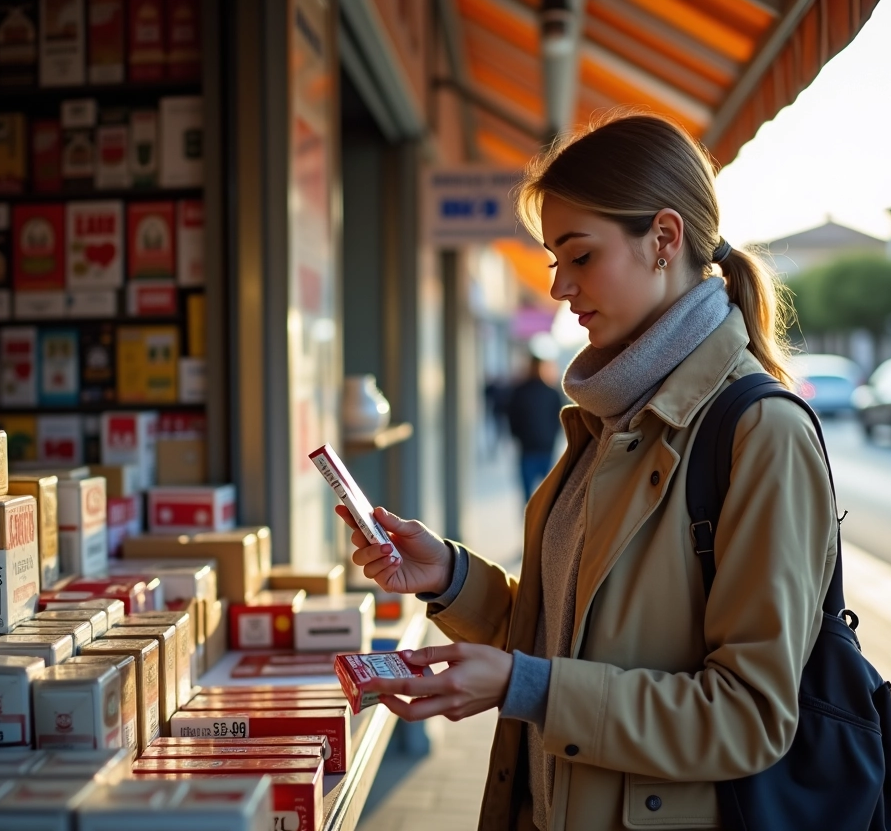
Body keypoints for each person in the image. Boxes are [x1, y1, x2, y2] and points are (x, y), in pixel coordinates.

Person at [334, 113, 837, 831]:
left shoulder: (759, 431)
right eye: (553, 263)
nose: (560, 289)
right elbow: (564, 638)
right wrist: (449, 576)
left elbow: (748, 716)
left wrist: (527, 687)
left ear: (664, 239)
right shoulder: (610, 417)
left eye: (580, 256)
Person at [507, 355, 564, 500]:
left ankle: (531, 522)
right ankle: (540, 523)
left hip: (531, 448)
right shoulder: (551, 393)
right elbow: (559, 419)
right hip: (542, 448)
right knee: (548, 497)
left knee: (532, 496)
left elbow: (512, 418)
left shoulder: (520, 392)